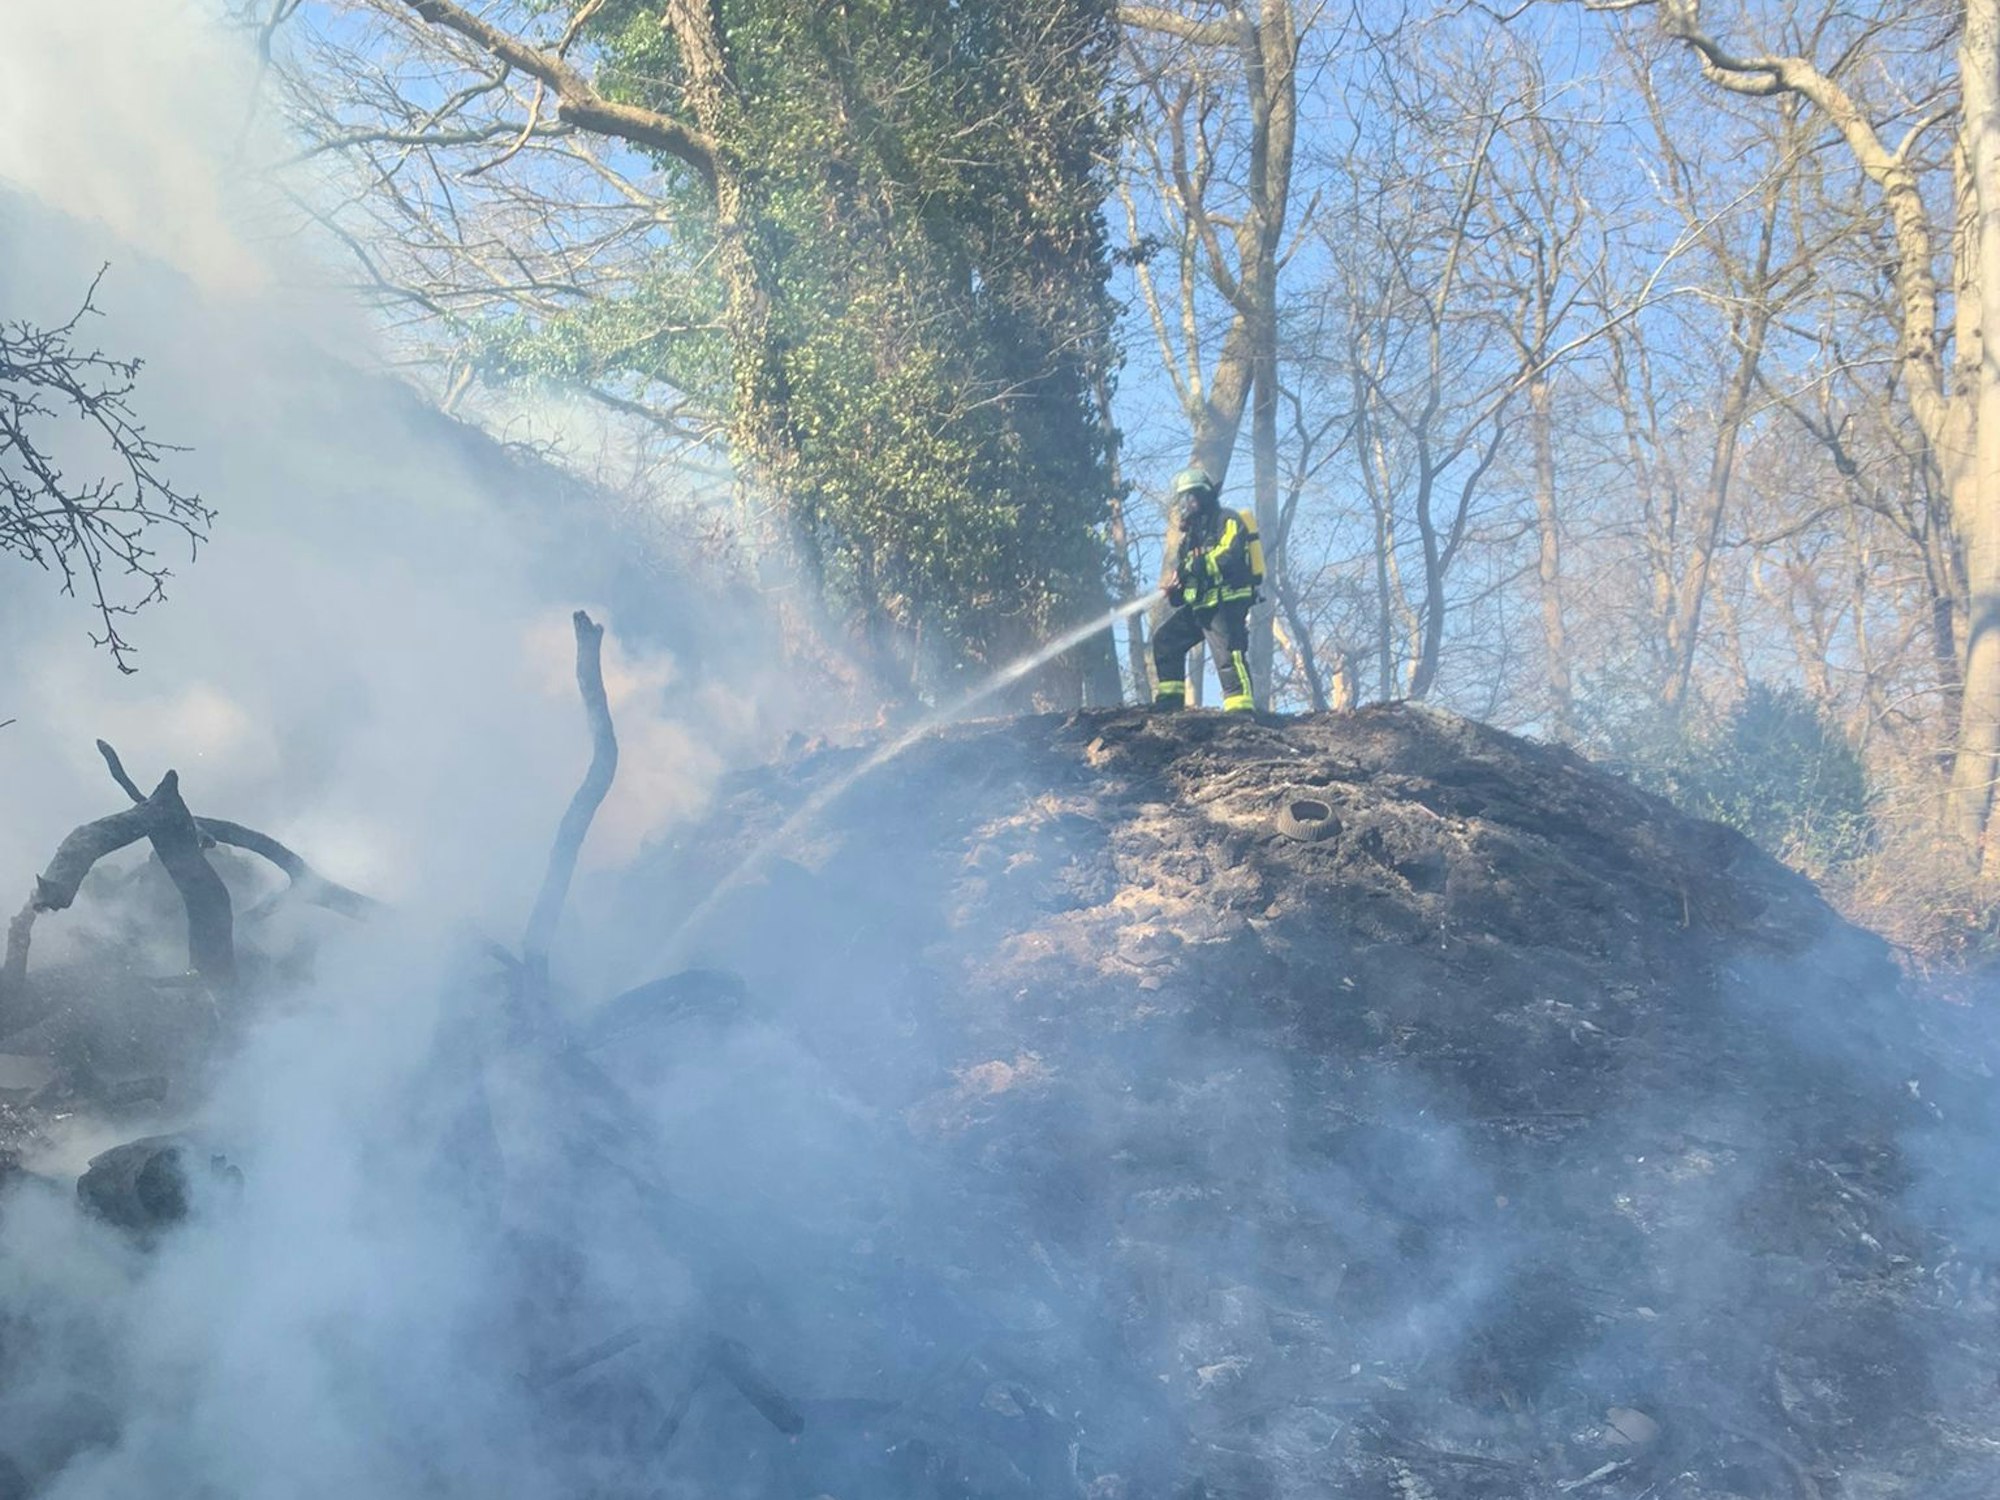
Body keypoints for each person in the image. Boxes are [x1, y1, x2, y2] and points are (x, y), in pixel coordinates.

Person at [1151, 465, 1260, 712]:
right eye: (1183, 498)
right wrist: (1176, 589)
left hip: (1226, 602)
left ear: (1205, 495)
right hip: (1202, 606)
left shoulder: (1228, 519)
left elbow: (1229, 553)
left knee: (1228, 657)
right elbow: (1187, 579)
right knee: (1166, 640)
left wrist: (1198, 565)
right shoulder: (1189, 539)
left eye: (1192, 496)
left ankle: (1241, 710)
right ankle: (1170, 703)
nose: (1187, 504)